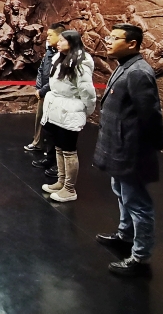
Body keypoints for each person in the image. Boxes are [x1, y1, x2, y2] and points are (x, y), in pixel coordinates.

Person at [94, 23, 163, 277]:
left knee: (137, 202)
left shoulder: (138, 72)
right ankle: (125, 235)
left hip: (131, 149)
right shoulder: (125, 66)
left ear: (132, 43)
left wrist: (156, 143)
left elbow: (150, 114)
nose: (108, 41)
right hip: (120, 146)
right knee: (121, 192)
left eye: (114, 38)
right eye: (108, 36)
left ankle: (140, 256)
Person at [39, 30, 96, 203]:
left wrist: (87, 109)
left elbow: (86, 90)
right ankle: (61, 182)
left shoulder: (81, 62)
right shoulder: (59, 58)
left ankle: (69, 189)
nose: (58, 42)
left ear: (72, 42)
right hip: (57, 108)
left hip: (70, 109)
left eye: (62, 40)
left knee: (69, 150)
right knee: (58, 147)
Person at [26, 23, 65, 179]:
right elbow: (42, 70)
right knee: (42, 121)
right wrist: (38, 88)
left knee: (55, 129)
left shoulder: (66, 57)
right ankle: (43, 149)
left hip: (54, 95)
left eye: (50, 35)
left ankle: (57, 164)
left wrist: (43, 90)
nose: (47, 38)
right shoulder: (50, 52)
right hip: (44, 93)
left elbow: (56, 78)